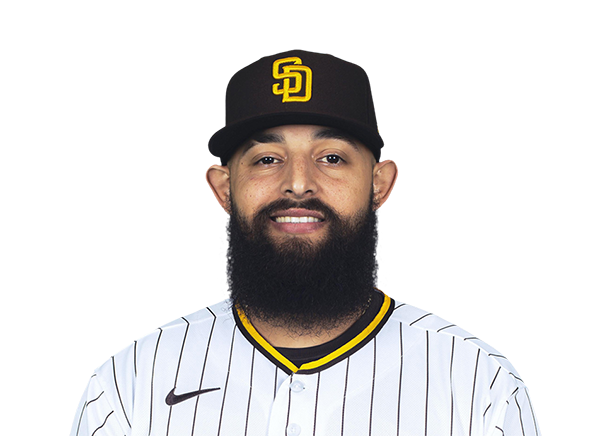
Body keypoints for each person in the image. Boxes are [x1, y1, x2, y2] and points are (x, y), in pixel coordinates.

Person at [71, 50, 540, 436]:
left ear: (379, 183)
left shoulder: (476, 384)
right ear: (224, 188)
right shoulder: (133, 382)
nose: (298, 183)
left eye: (331, 157)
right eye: (267, 158)